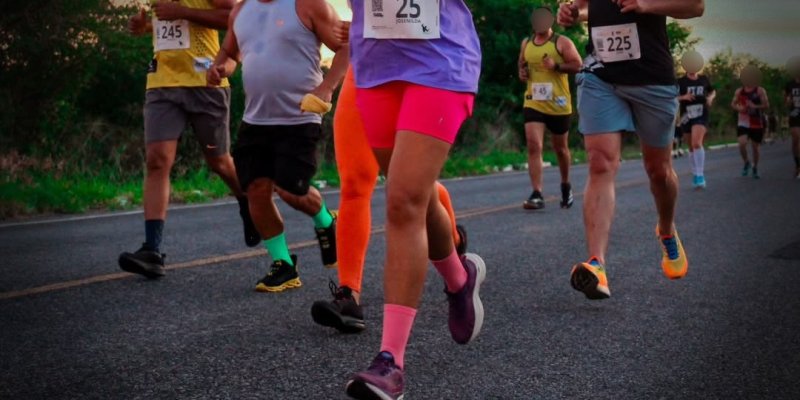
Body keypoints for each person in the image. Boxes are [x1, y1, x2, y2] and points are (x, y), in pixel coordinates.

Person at [344, 1, 486, 399]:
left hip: (441, 60)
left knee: (403, 199)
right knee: (414, 196)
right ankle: (459, 278)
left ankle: (390, 363)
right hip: (375, 65)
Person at [557, 0, 703, 299]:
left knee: (658, 171)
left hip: (652, 78)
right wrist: (572, 13)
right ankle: (596, 264)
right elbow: (586, 8)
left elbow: (696, 6)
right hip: (600, 75)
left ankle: (666, 229)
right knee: (600, 163)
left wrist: (646, 4)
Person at [310, 64, 469, 334]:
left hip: (421, 68)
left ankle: (451, 241)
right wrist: (329, 84)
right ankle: (349, 296)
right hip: (365, 70)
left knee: (411, 184)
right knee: (354, 184)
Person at [207, 0, 348, 292]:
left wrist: (326, 88)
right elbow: (230, 54)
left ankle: (325, 219)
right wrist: (219, 68)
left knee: (290, 189)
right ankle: (283, 264)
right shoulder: (241, 10)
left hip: (300, 116)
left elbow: (347, 47)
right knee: (255, 189)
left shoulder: (309, 5)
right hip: (256, 119)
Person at [118, 0, 259, 279]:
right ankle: (152, 250)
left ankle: (247, 201)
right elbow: (169, 24)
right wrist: (146, 26)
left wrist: (183, 11)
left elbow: (234, 17)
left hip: (206, 81)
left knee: (219, 161)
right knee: (157, 161)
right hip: (161, 82)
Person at [517, 6, 582, 210]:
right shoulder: (526, 43)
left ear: (551, 20)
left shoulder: (562, 42)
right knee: (533, 145)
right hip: (533, 101)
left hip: (558, 103)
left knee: (560, 149)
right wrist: (522, 73)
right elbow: (521, 65)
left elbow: (578, 65)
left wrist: (556, 67)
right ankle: (537, 193)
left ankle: (565, 185)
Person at [677, 50, 716, 188]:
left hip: (701, 113)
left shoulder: (704, 79)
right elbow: (671, 97)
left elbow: (712, 91)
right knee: (691, 147)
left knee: (697, 143)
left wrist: (710, 98)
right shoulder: (680, 82)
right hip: (686, 115)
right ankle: (695, 173)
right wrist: (683, 97)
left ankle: (700, 175)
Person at [732, 65, 770, 180]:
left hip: (756, 121)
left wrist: (755, 106)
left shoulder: (760, 91)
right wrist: (739, 108)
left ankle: (755, 167)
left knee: (755, 147)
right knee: (742, 143)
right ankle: (746, 162)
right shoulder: (739, 91)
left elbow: (766, 105)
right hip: (743, 121)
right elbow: (733, 104)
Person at [785, 57, 800, 179]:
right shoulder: (789, 84)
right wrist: (788, 101)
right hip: (794, 114)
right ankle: (797, 165)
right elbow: (786, 101)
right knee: (796, 140)